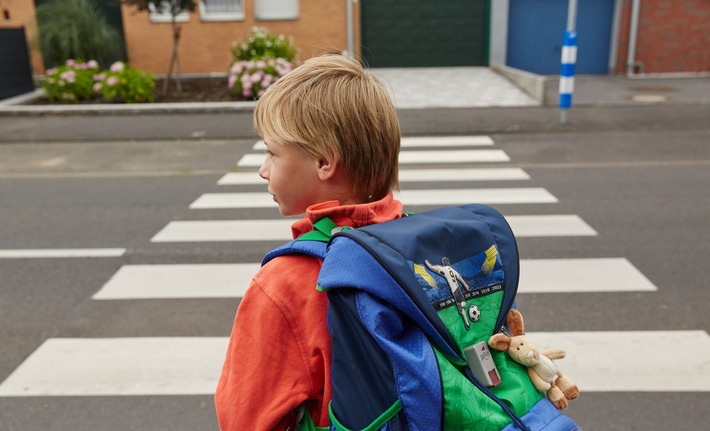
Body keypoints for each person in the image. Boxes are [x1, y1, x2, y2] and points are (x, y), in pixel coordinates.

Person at [215, 54, 403, 430]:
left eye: (272, 152)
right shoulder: (413, 243)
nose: (262, 168)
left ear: (323, 162)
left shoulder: (286, 284)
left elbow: (243, 417)